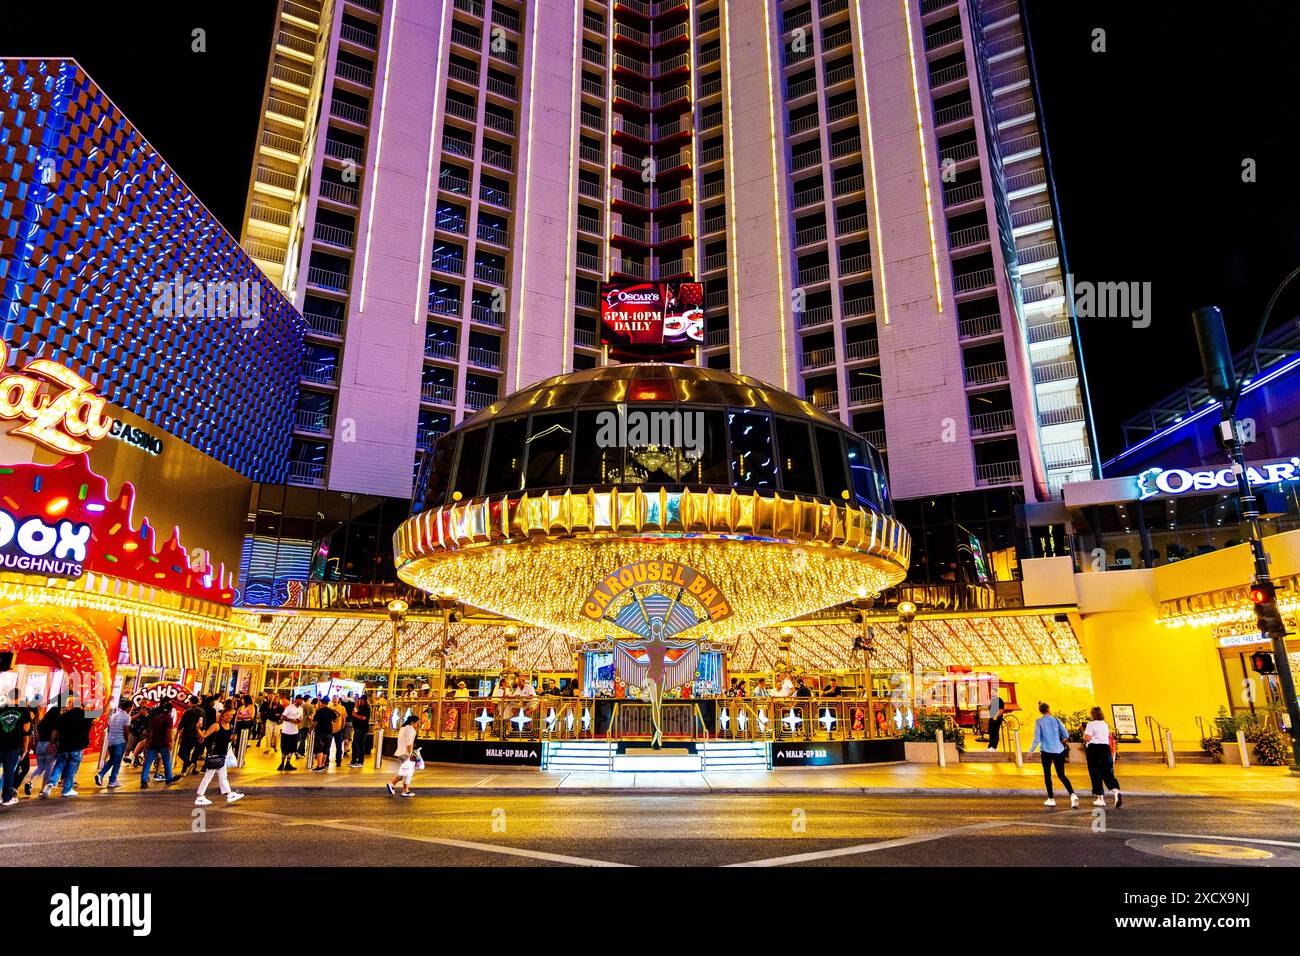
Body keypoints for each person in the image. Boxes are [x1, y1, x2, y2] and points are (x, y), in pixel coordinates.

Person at [1027, 701, 1076, 808]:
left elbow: (1037, 739)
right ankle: (1072, 795)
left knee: (1047, 775)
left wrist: (1031, 751)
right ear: (1048, 709)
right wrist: (1060, 739)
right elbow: (1066, 734)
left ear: (1040, 711)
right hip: (1059, 751)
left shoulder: (1039, 722)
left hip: (1046, 751)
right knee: (1061, 775)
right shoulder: (1056, 720)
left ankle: (1051, 799)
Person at [43, 695, 92, 798]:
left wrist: (52, 743)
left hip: (63, 746)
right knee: (71, 768)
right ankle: (67, 790)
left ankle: (51, 783)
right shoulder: (86, 715)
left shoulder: (62, 717)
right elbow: (101, 711)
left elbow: (54, 732)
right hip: (77, 747)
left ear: (71, 705)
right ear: (81, 705)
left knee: (59, 765)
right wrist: (108, 701)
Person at [194, 706, 244, 806]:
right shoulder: (216, 725)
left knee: (222, 776)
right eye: (227, 715)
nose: (230, 717)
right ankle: (200, 796)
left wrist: (232, 738)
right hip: (215, 754)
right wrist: (197, 728)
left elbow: (226, 738)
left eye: (231, 716)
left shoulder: (229, 726)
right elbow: (204, 735)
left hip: (222, 754)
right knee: (209, 776)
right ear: (222, 716)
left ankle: (229, 794)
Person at [1083, 706, 1122, 808]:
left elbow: (1087, 738)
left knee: (1095, 772)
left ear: (1092, 714)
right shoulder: (1105, 724)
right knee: (1108, 773)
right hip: (1105, 749)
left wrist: (1084, 734)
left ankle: (1100, 799)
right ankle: (1116, 792)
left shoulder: (1090, 724)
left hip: (1094, 749)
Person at [0, 688, 32, 806]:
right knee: (9, 772)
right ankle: (7, 798)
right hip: (13, 746)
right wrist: (25, 748)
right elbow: (26, 731)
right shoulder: (24, 710)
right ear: (20, 697)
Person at [139, 699, 178, 789]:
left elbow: (151, 730)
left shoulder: (157, 717)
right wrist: (170, 741)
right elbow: (168, 731)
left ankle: (144, 780)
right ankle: (169, 778)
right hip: (163, 743)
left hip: (154, 742)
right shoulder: (168, 719)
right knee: (167, 761)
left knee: (148, 762)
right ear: (170, 710)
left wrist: (149, 739)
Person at [94, 697, 131, 789]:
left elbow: (109, 728)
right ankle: (112, 781)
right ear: (128, 707)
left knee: (111, 760)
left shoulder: (114, 715)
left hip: (111, 741)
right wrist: (127, 741)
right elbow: (126, 731)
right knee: (117, 762)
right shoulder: (127, 717)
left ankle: (101, 775)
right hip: (120, 741)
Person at [26, 704, 59, 796]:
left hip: (40, 745)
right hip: (49, 745)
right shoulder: (55, 723)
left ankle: (30, 782)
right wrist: (53, 744)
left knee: (40, 767)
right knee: (49, 768)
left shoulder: (42, 723)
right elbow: (54, 734)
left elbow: (37, 736)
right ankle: (43, 790)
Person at [386, 714, 420, 798]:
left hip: (400, 753)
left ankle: (399, 787)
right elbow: (409, 744)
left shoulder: (403, 728)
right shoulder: (411, 729)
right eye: (416, 723)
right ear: (413, 722)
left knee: (406, 771)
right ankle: (398, 787)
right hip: (406, 753)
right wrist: (411, 754)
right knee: (407, 771)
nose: (417, 725)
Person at [177, 697, 206, 775]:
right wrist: (201, 734)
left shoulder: (188, 712)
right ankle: (185, 770)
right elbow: (203, 724)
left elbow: (181, 723)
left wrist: (179, 729)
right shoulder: (202, 712)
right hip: (196, 735)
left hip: (187, 734)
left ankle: (190, 764)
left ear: (190, 702)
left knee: (181, 753)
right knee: (191, 752)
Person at [278, 696, 303, 770]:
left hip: (294, 731)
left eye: (301, 700)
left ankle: (288, 764)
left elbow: (301, 717)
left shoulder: (301, 709)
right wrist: (292, 720)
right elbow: (283, 717)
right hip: (286, 731)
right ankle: (282, 763)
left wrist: (299, 720)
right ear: (296, 700)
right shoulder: (289, 708)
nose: (300, 701)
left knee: (292, 748)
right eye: (299, 699)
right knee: (284, 748)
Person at [311, 698, 336, 771]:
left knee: (319, 749)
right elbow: (335, 719)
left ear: (322, 703)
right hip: (329, 732)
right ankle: (323, 764)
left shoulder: (319, 711)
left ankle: (319, 765)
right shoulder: (331, 711)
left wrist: (310, 729)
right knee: (326, 749)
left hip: (320, 732)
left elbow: (315, 722)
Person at [349, 693, 371, 768]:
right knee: (354, 745)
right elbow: (354, 712)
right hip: (357, 729)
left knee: (360, 745)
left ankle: (360, 761)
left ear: (364, 700)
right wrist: (356, 706)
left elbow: (363, 718)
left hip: (362, 729)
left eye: (361, 700)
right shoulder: (360, 707)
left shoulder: (366, 708)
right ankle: (353, 761)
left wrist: (355, 715)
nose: (359, 701)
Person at [330, 696, 348, 767]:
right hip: (330, 730)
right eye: (333, 699)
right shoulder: (330, 708)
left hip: (339, 730)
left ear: (338, 700)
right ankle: (326, 761)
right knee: (328, 746)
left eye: (335, 699)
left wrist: (342, 728)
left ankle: (338, 761)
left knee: (339, 746)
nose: (334, 700)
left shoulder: (342, 708)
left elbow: (344, 719)